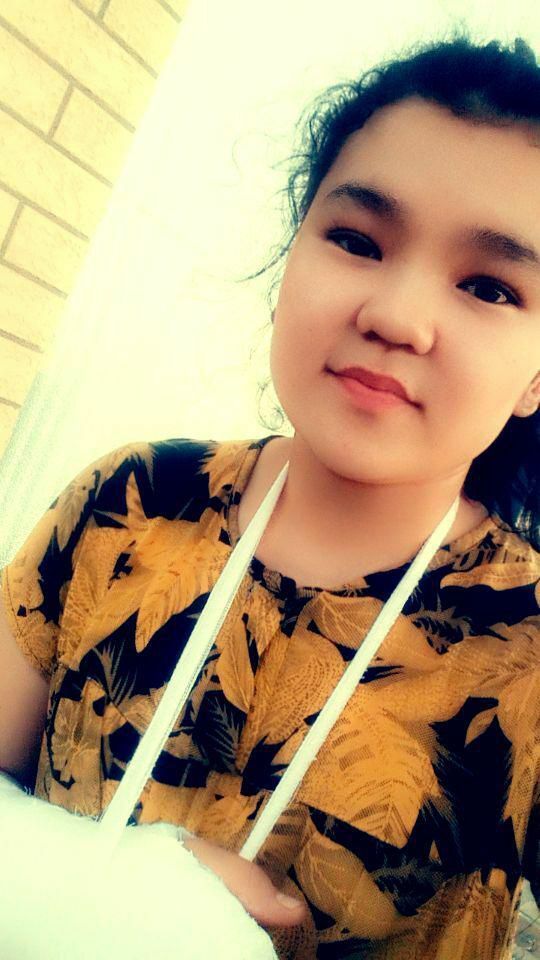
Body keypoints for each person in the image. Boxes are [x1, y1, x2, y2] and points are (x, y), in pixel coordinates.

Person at [0, 24, 539, 960]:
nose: (396, 316)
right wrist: (117, 889)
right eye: (356, 240)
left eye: (490, 289)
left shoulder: (525, 647)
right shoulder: (129, 501)